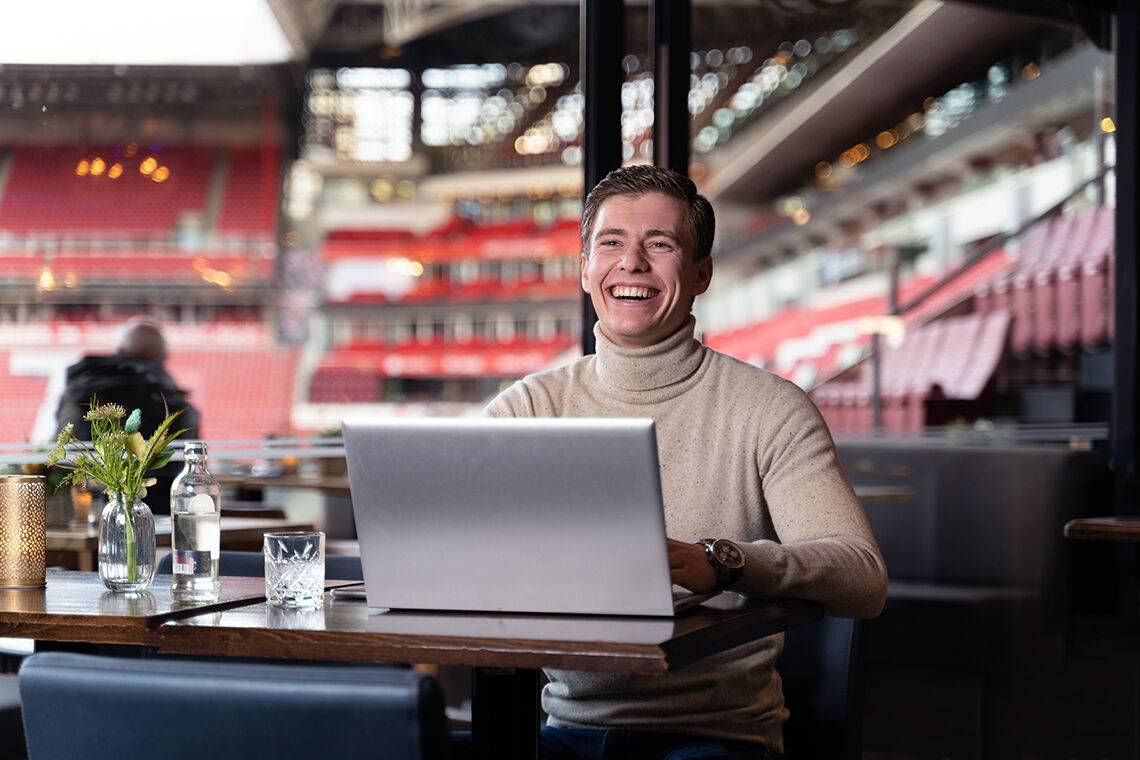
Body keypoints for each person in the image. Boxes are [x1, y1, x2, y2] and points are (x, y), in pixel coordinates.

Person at [484, 166, 888, 759]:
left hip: (715, 736)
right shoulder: (528, 407)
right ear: (584, 269)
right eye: (611, 244)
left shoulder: (770, 408)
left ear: (701, 273)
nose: (632, 263)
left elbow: (862, 577)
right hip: (563, 733)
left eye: (660, 245)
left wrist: (723, 561)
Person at [55, 316, 201, 515]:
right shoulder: (171, 400)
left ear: (120, 350)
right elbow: (187, 469)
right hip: (157, 514)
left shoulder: (82, 387)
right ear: (162, 357)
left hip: (87, 510)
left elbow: (61, 453)